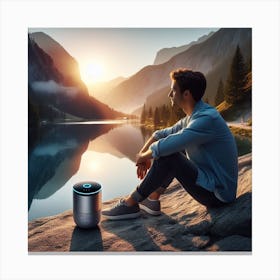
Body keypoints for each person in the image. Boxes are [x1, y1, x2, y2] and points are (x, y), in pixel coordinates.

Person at [102, 68, 238, 220]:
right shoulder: (192, 117)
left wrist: (144, 156)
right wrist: (142, 154)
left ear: (186, 94)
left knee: (170, 155)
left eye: (173, 90)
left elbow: (168, 145)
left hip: (218, 195)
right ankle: (152, 199)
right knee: (169, 151)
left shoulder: (206, 119)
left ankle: (131, 203)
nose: (169, 94)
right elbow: (159, 135)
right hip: (210, 184)